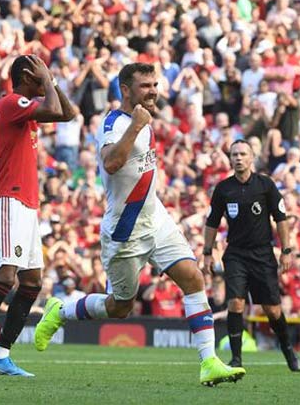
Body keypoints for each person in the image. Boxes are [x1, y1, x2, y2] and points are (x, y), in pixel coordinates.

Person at [34, 63, 245, 387]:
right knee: (120, 307)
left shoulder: (142, 120)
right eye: (145, 86)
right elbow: (111, 163)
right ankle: (60, 311)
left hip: (154, 216)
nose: (153, 91)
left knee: (192, 278)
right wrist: (135, 126)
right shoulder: (116, 124)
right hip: (125, 228)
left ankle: (209, 363)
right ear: (126, 90)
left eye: (155, 84)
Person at [0, 54, 77, 377]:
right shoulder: (12, 102)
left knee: (31, 282)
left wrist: (51, 82)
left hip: (27, 202)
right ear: (28, 74)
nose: (45, 75)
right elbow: (56, 110)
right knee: (5, 277)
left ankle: (1, 356)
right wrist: (46, 82)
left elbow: (68, 114)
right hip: (8, 199)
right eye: (39, 70)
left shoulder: (27, 108)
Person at [203, 139, 300, 372]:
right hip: (235, 253)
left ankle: (287, 349)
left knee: (272, 310)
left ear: (251, 158)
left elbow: (281, 218)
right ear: (230, 158)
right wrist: (207, 252)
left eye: (242, 154)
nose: (238, 158)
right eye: (234, 154)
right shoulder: (223, 189)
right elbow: (212, 222)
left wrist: (286, 250)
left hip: (262, 254)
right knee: (235, 303)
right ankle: (236, 359)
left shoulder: (265, 185)